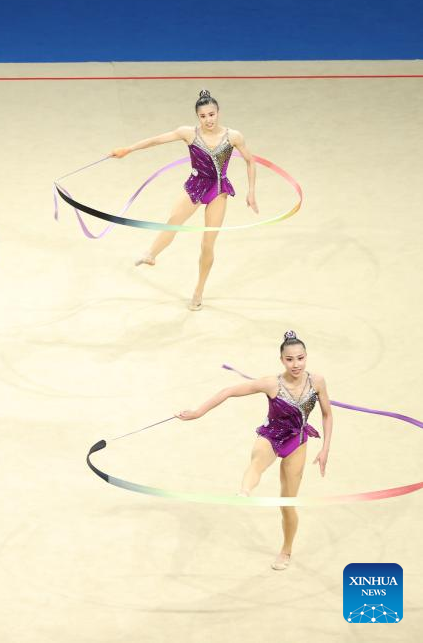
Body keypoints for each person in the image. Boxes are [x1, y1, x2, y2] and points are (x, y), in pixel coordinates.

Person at [176, 331, 333, 570]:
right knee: (257, 462)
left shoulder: (317, 382)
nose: (295, 364)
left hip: (297, 440)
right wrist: (198, 412)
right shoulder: (271, 383)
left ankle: (286, 551)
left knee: (287, 503)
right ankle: (244, 492)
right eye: (289, 359)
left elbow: (327, 415)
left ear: (306, 357)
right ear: (281, 360)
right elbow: (228, 391)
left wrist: (325, 449)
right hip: (272, 435)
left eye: (300, 358)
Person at [110, 90, 257, 310]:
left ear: (218, 112)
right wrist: (128, 149)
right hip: (196, 184)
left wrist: (251, 192)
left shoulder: (233, 136)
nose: (208, 120)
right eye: (203, 116)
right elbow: (156, 140)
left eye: (211, 114)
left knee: (207, 244)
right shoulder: (189, 133)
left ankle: (198, 291)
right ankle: (151, 254)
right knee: (174, 221)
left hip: (218, 189)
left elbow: (250, 161)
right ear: (198, 117)